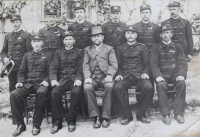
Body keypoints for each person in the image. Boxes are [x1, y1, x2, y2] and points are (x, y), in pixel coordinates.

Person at [10, 33, 53, 136]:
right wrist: (20, 81)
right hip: (29, 84)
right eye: (34, 42)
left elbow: (51, 71)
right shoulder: (27, 55)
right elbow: (21, 72)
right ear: (31, 43)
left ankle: (36, 124)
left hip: (42, 83)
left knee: (42, 92)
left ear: (42, 43)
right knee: (14, 94)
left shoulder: (48, 55)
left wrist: (47, 80)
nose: (36, 44)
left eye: (38, 42)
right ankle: (20, 124)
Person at [113, 25, 154, 125]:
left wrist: (145, 73)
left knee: (149, 87)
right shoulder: (120, 48)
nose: (130, 35)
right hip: (125, 76)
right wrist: (119, 74)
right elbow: (117, 64)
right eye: (128, 33)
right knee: (117, 88)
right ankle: (127, 115)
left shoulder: (142, 47)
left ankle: (141, 114)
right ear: (125, 35)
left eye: (132, 33)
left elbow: (147, 64)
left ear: (136, 35)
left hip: (140, 75)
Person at [150, 24, 187, 125]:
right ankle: (165, 114)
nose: (165, 35)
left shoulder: (178, 47)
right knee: (161, 85)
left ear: (171, 34)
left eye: (167, 32)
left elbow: (183, 63)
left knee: (181, 84)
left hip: (175, 74)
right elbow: (154, 64)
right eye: (163, 33)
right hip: (162, 75)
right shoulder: (156, 47)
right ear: (160, 35)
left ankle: (178, 113)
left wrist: (181, 74)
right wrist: (158, 76)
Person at [83, 26, 118, 128]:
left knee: (109, 86)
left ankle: (106, 116)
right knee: (87, 87)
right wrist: (87, 77)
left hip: (105, 77)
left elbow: (113, 64)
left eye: (98, 36)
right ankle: (96, 116)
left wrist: (110, 75)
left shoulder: (109, 49)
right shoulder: (87, 50)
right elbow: (85, 65)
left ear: (102, 37)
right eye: (94, 37)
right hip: (92, 78)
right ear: (91, 38)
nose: (96, 39)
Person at [49, 31, 83, 134]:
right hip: (62, 80)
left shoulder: (79, 52)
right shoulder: (58, 53)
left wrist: (78, 79)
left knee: (76, 92)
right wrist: (54, 80)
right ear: (63, 41)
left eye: (70, 39)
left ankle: (71, 121)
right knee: (54, 93)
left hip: (74, 80)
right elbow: (53, 68)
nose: (68, 41)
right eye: (66, 39)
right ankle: (57, 122)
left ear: (74, 40)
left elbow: (81, 68)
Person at [0, 14, 32, 92]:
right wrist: (4, 58)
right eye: (13, 22)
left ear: (20, 22)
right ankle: (12, 103)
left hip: (22, 66)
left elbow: (29, 52)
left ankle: (22, 104)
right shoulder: (8, 36)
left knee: (21, 86)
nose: (15, 24)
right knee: (12, 86)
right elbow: (3, 51)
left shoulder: (26, 35)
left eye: (17, 22)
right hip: (10, 67)